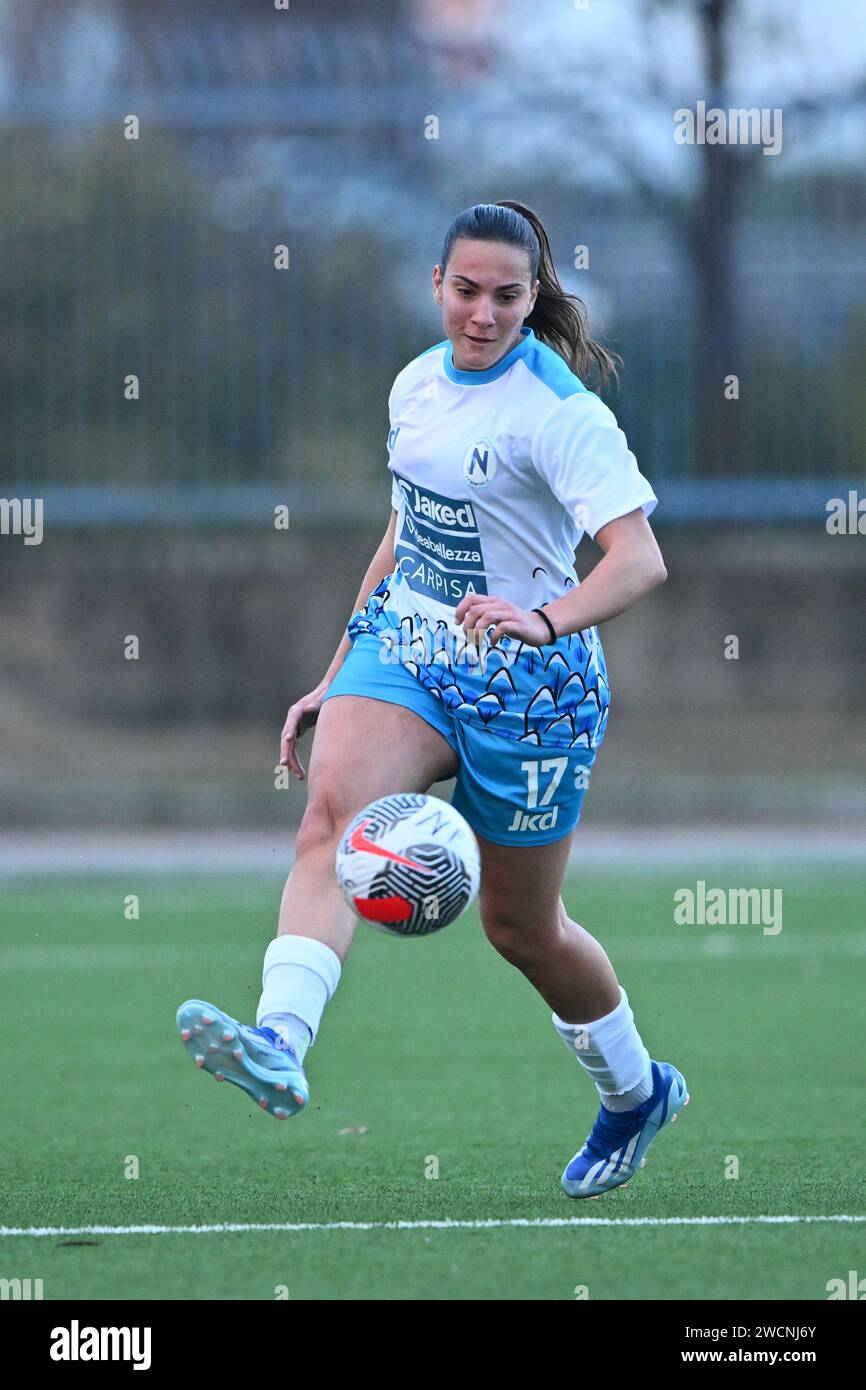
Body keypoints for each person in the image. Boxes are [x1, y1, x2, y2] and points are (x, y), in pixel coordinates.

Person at [177, 200, 688, 1199]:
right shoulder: (414, 383)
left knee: (519, 930)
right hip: (410, 644)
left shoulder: (558, 414)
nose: (483, 314)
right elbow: (407, 528)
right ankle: (279, 1040)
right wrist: (336, 669)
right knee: (329, 814)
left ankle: (634, 1092)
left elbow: (639, 561)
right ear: (435, 286)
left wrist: (542, 620)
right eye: (465, 291)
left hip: (532, 689)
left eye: (505, 295)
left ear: (530, 295)